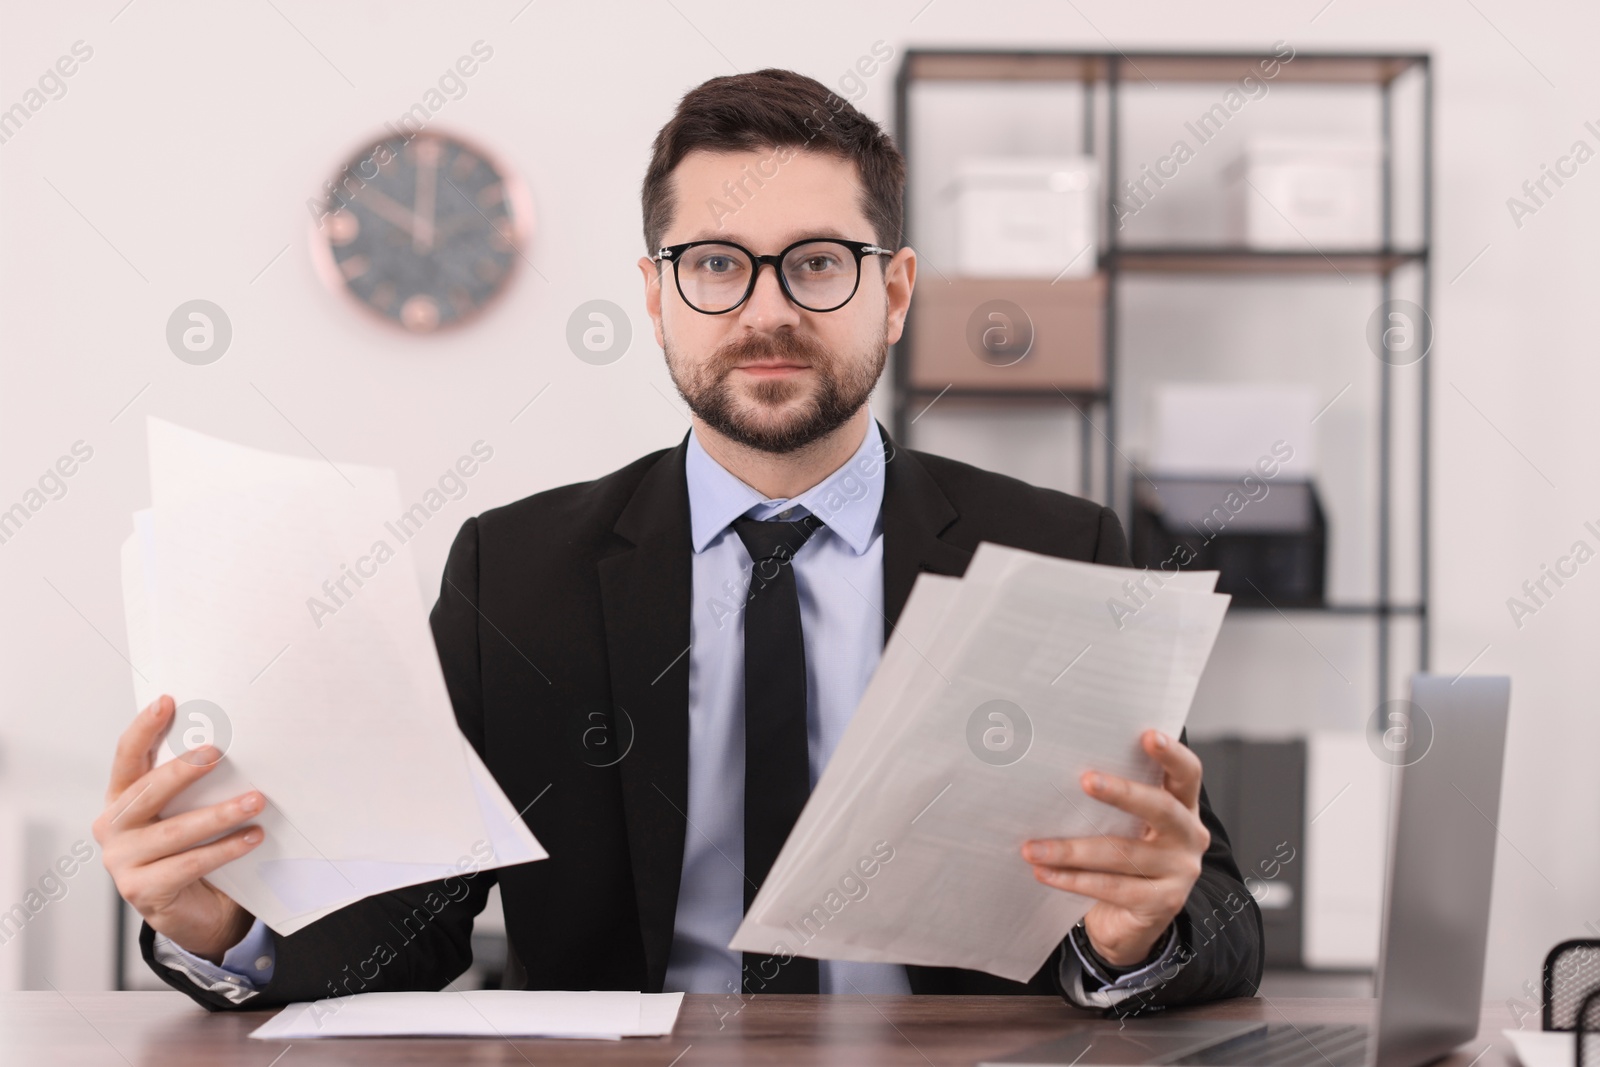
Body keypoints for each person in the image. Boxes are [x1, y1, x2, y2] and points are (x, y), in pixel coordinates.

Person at [95, 68, 1262, 1013]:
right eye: (714, 264)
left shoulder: (1061, 546)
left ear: (894, 292)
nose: (765, 310)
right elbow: (410, 928)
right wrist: (220, 925)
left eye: (817, 262)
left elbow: (1211, 907)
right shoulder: (516, 571)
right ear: (655, 296)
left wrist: (1139, 930)